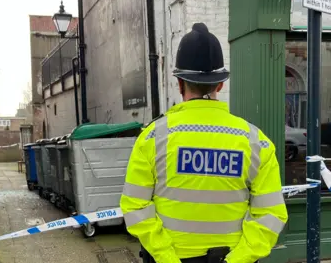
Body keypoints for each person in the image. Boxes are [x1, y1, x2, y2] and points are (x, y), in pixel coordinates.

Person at [120, 23, 288, 263]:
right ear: (220, 85)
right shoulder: (256, 142)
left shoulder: (152, 138)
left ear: (179, 84)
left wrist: (167, 257)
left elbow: (135, 208)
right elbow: (271, 215)